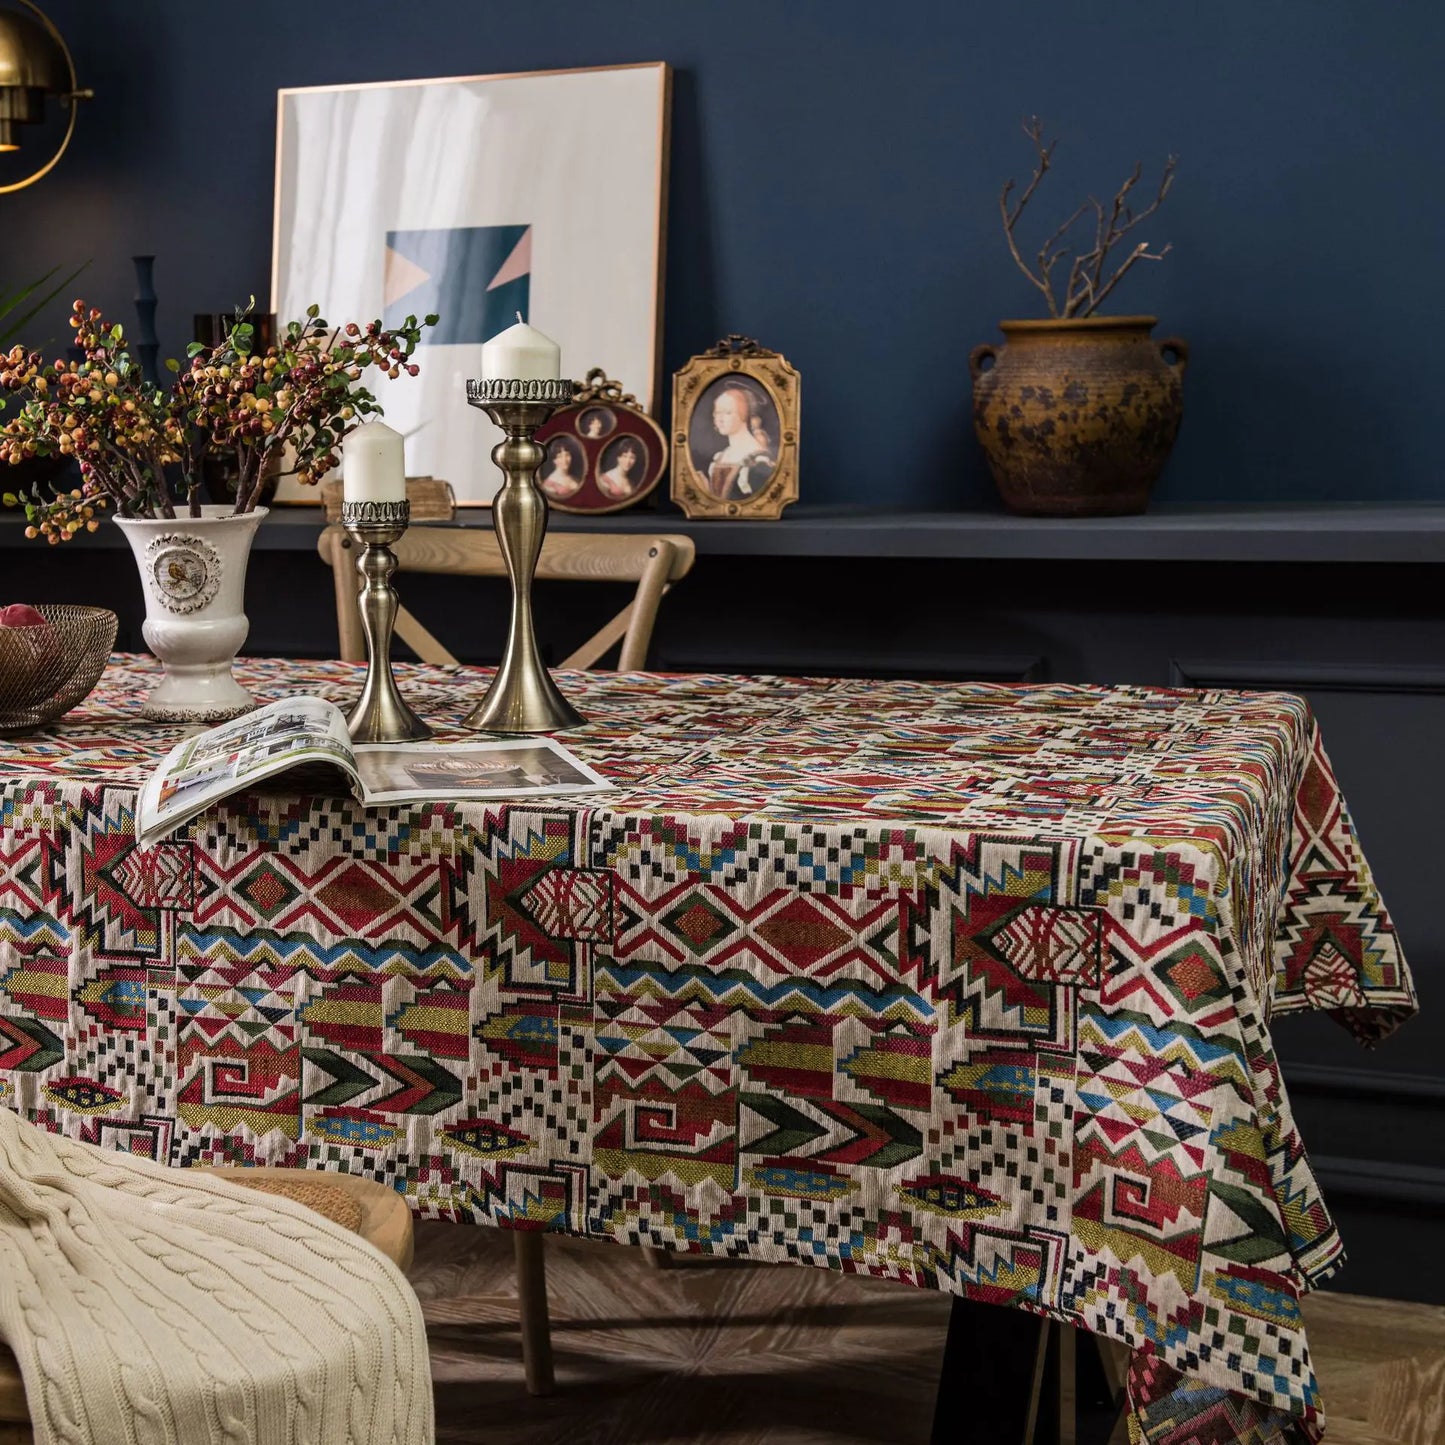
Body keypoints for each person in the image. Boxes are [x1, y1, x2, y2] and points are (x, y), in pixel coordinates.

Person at [701, 384, 774, 500]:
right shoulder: (721, 456)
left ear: (743, 414)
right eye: (717, 413)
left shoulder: (757, 459)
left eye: (728, 412)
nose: (720, 419)